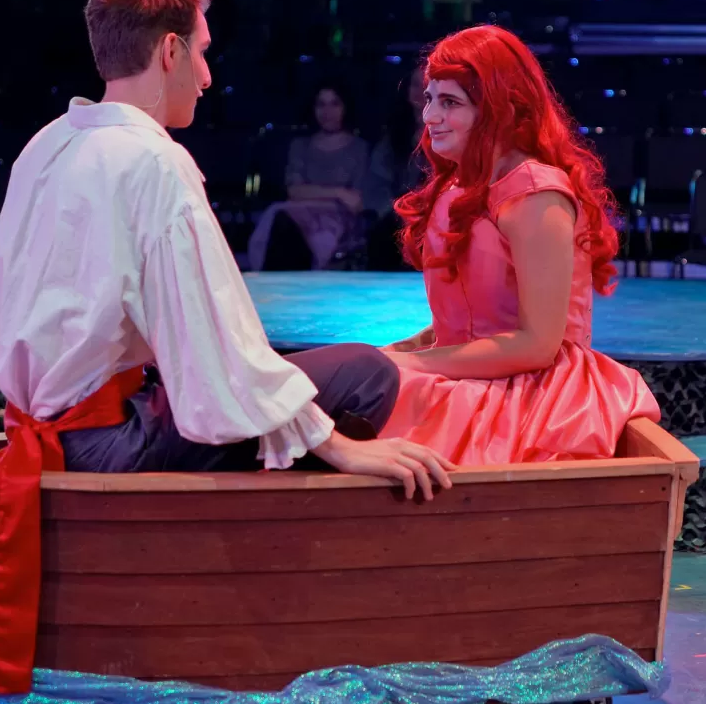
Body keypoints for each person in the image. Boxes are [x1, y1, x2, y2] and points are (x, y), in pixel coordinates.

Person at [0, 0, 453, 695]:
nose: (210, 77)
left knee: (286, 384)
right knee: (365, 372)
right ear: (170, 51)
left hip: (50, 422)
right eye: (205, 52)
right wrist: (336, 445)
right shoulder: (155, 161)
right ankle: (285, 598)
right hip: (103, 446)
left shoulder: (46, 145)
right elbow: (216, 352)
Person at [379, 25, 660, 465]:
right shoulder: (457, 187)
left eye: (450, 102)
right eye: (429, 98)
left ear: (499, 108)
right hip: (473, 375)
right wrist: (398, 352)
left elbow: (536, 346)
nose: (429, 115)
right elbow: (466, 326)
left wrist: (413, 365)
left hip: (533, 392)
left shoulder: (535, 193)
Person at [247, 82, 369, 270]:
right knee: (283, 222)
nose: (327, 112)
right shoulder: (300, 146)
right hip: (299, 214)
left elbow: (356, 201)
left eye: (334, 104)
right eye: (321, 104)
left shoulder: (360, 148)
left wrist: (316, 193)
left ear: (345, 107)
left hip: (339, 219)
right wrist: (338, 193)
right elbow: (294, 191)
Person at [362, 66, 427, 270]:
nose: (421, 91)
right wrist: (399, 211)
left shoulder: (453, 135)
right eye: (415, 85)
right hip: (398, 214)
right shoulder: (393, 138)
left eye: (426, 84)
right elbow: (376, 185)